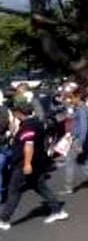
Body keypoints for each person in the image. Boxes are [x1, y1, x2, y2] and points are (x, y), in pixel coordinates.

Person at [0, 99, 69, 231]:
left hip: (25, 163)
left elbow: (29, 145)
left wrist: (26, 164)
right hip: (37, 162)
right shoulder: (36, 122)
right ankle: (57, 209)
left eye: (15, 112)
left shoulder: (29, 126)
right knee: (40, 186)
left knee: (14, 191)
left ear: (19, 112)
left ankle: (4, 219)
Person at [61, 87, 88, 194]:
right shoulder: (83, 108)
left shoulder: (81, 109)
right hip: (80, 139)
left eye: (72, 98)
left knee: (69, 162)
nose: (70, 100)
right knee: (83, 162)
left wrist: (80, 143)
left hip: (78, 140)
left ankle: (69, 187)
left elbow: (83, 127)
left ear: (77, 97)